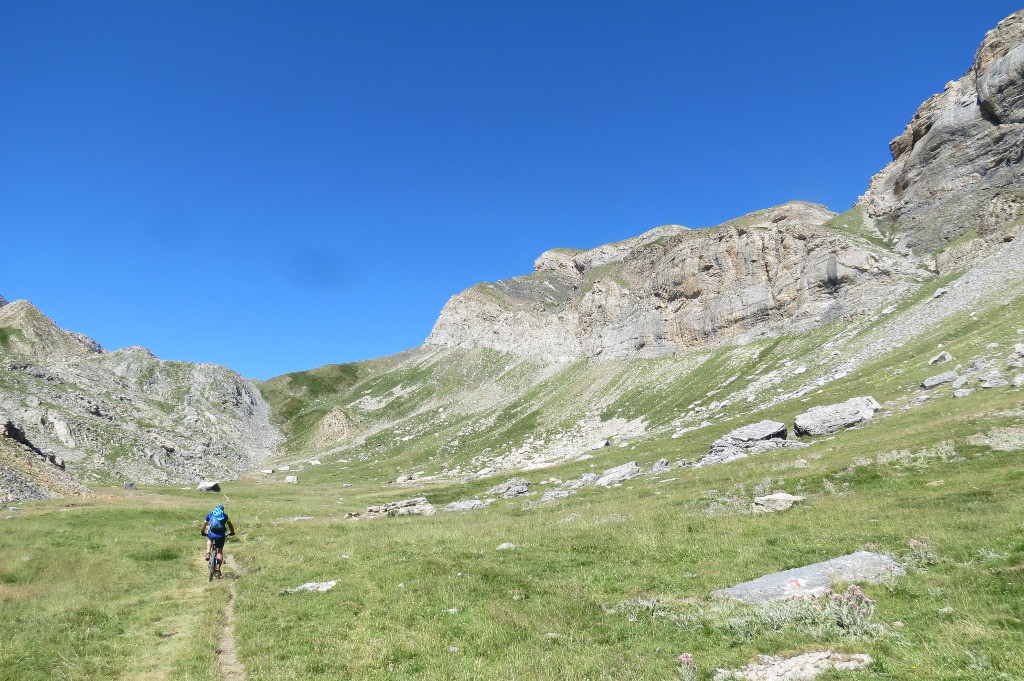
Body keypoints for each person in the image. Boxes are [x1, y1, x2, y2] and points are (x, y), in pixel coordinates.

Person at [201, 504, 235, 575]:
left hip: (212, 533)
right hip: (221, 535)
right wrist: (232, 532)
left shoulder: (210, 514)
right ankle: (218, 569)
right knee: (219, 551)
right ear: (222, 510)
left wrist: (202, 532)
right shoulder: (225, 516)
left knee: (210, 539)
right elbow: (230, 525)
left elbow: (204, 524)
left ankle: (208, 553)